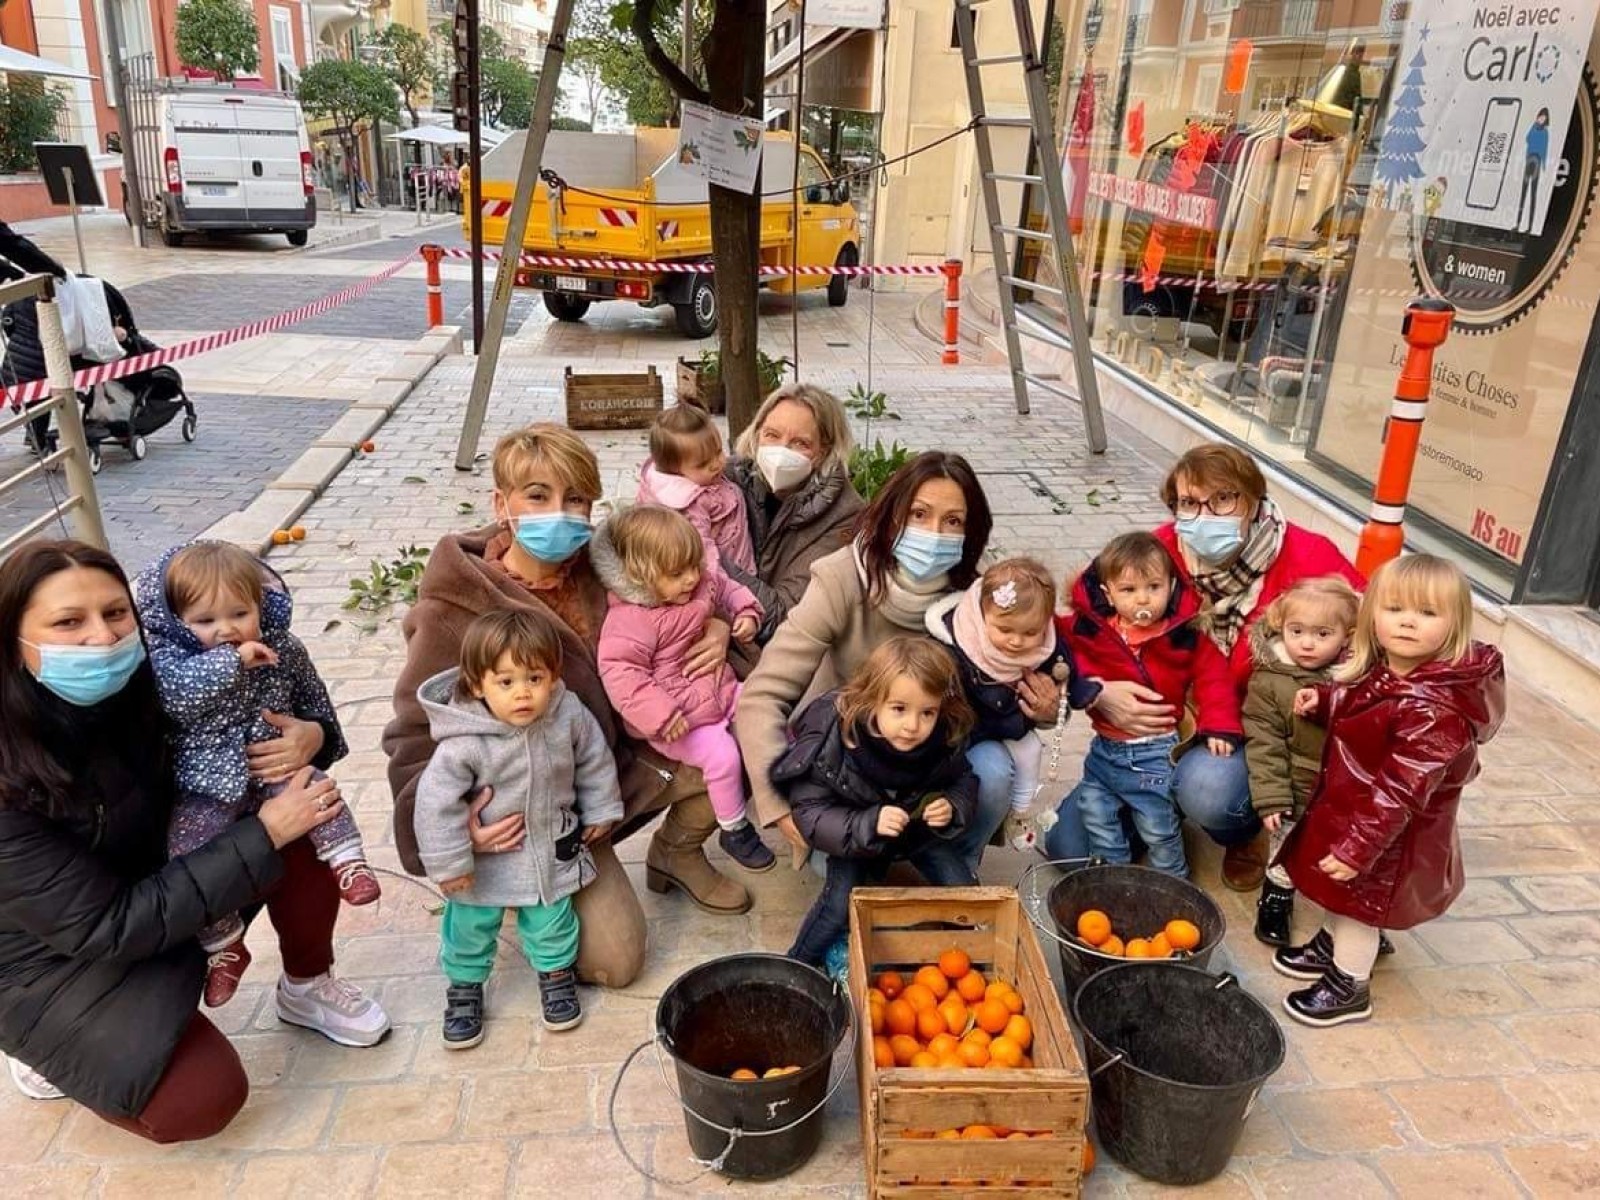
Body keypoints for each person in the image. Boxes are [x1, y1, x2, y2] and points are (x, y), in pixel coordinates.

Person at [0, 540, 388, 1139]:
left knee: (305, 811)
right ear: (13, 639)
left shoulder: (149, 679)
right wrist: (264, 832)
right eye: (68, 622)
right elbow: (105, 927)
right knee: (200, 1100)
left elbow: (273, 712)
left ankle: (308, 982)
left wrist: (310, 738)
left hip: (155, 881)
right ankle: (40, 1048)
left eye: (115, 613)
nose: (101, 638)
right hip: (53, 957)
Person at [384, 424, 750, 993]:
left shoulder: (606, 569)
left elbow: (695, 587)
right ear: (501, 504)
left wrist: (722, 627)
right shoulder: (455, 608)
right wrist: (458, 835)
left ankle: (676, 854)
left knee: (735, 745)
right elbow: (412, 736)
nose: (561, 513)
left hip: (613, 774)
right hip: (527, 814)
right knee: (616, 960)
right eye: (538, 495)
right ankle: (510, 889)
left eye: (576, 498)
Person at [1054, 443, 1363, 890]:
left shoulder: (1309, 558)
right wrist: (1098, 689)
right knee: (1071, 848)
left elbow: (1367, 639)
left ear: (1253, 500)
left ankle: (1243, 828)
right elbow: (1089, 604)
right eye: (1188, 503)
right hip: (1148, 737)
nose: (1205, 515)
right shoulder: (1162, 551)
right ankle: (1156, 809)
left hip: (1252, 734)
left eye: (1223, 499)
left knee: (1210, 793)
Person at [737, 451, 1045, 873]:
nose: (934, 534)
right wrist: (779, 805)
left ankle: (953, 865)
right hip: (849, 764)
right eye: (919, 514)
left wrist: (1045, 709)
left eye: (952, 521)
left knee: (993, 770)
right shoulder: (842, 578)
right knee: (841, 874)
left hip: (932, 761)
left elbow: (1035, 661)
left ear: (970, 531)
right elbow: (763, 694)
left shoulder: (982, 596)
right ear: (892, 515)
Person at [132, 540, 380, 1008]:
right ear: (177, 621)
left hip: (277, 773)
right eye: (205, 621)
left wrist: (313, 734)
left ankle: (348, 862)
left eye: (238, 613)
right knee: (187, 855)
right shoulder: (167, 661)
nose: (225, 629)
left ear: (259, 606)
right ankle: (223, 946)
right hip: (207, 790)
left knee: (318, 795)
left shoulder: (283, 646)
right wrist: (233, 660)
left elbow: (318, 706)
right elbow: (176, 697)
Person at [1275, 555, 1504, 1027]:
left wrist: (1359, 847)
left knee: (1360, 901)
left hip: (1390, 831)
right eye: (1395, 608)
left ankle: (1349, 983)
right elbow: (1369, 702)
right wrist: (1327, 699)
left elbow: (1400, 790)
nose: (1406, 622)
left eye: (1426, 613)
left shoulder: (1434, 710)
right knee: (1338, 890)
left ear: (1454, 623)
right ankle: (1331, 943)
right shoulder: (1393, 669)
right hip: (1357, 805)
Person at [414, 610, 623, 1048]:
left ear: (553, 677)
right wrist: (451, 861)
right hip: (485, 860)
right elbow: (435, 803)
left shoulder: (567, 714)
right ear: (477, 685)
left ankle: (555, 975)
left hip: (548, 849)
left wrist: (601, 807)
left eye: (534, 678)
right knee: (470, 923)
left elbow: (593, 759)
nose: (522, 693)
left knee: (552, 918)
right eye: (505, 682)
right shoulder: (465, 741)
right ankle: (465, 987)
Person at [776, 637, 979, 967]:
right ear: (873, 701)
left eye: (927, 712)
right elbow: (810, 810)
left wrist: (953, 805)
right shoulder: (838, 738)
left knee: (964, 889)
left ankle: (977, 962)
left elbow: (964, 780)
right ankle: (796, 965)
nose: (912, 726)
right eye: (899, 709)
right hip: (857, 837)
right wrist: (867, 823)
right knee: (839, 902)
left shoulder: (942, 737)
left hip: (916, 834)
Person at [592, 505, 771, 871]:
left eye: (694, 565)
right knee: (722, 756)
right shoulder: (630, 620)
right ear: (638, 576)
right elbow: (623, 673)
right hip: (679, 719)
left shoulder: (699, 582)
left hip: (719, 689)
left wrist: (747, 612)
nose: (691, 579)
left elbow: (728, 588)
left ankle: (792, 777)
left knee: (768, 711)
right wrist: (660, 714)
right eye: (677, 573)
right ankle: (734, 826)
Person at [1059, 532, 1242, 877]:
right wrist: (1086, 686)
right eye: (1128, 591)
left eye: (1153, 587)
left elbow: (1214, 677)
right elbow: (1055, 644)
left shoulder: (1182, 635)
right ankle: (1111, 875)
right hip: (1105, 750)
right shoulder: (1091, 629)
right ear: (1107, 593)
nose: (1143, 599)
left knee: (1158, 826)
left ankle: (1172, 881)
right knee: (1096, 812)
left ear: (1171, 587)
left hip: (1154, 753)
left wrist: (1219, 724)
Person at [925, 557, 1093, 850]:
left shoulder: (1046, 646)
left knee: (1028, 751)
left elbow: (1065, 666)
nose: (1016, 642)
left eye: (1030, 633)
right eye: (1005, 630)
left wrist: (1079, 692)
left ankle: (1018, 812)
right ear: (981, 614)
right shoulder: (961, 643)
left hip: (1009, 725)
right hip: (962, 730)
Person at [1242, 576, 1360, 946]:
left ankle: (1356, 922)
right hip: (1294, 783)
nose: (1307, 643)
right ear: (1281, 628)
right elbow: (1264, 741)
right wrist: (1271, 795)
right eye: (1297, 631)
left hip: (1343, 790)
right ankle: (1276, 901)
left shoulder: (1358, 679)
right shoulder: (1269, 680)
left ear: (1347, 635)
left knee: (1346, 854)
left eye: (1323, 634)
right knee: (1285, 849)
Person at [721, 383, 864, 670]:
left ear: (823, 451)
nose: (781, 450)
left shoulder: (845, 517)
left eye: (800, 443)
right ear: (757, 432)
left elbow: (782, 614)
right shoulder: (728, 478)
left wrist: (708, 556)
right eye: (772, 435)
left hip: (775, 662)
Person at [638, 403, 756, 574]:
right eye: (703, 464)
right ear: (676, 472)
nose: (717, 464)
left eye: (718, 452)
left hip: (740, 566)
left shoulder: (705, 481)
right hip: (727, 584)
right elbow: (703, 555)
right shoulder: (692, 507)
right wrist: (724, 589)